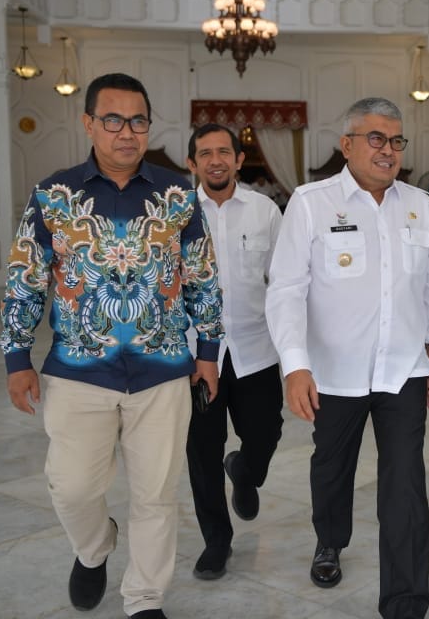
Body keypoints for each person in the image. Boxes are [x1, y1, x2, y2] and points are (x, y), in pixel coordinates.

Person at [0, 73, 223, 619]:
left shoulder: (177, 194)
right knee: (71, 487)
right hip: (79, 370)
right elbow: (26, 277)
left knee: (156, 494)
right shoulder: (54, 196)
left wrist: (208, 352)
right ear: (89, 124)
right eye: (114, 120)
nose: (127, 132)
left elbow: (202, 276)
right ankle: (95, 547)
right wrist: (16, 356)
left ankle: (145, 599)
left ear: (149, 126)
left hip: (163, 370)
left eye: (138, 120)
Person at [265, 97, 429, 619]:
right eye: (375, 139)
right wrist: (295, 365)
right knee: (331, 468)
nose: (387, 150)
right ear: (346, 145)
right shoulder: (311, 202)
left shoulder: (421, 204)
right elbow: (286, 289)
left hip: (404, 370)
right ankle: (330, 540)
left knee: (405, 486)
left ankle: (405, 602)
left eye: (396, 141)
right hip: (333, 372)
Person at [184, 123, 284, 580]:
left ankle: (245, 470)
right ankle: (216, 542)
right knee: (203, 452)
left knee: (266, 434)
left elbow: (284, 281)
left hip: (255, 348)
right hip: (195, 355)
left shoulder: (265, 211)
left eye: (224, 151)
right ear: (193, 163)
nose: (216, 160)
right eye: (205, 153)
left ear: (239, 160)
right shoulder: (177, 214)